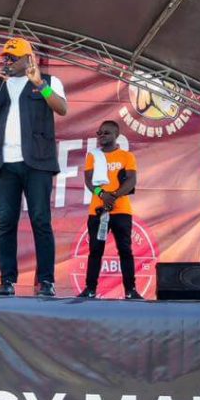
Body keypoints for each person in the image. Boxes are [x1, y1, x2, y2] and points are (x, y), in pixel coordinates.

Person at [0, 37, 69, 297]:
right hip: (6, 164)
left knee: (40, 220)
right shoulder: (0, 86)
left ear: (28, 58)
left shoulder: (48, 81)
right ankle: (7, 280)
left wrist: (40, 85)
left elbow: (62, 109)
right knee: (6, 222)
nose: (7, 62)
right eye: (5, 57)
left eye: (13, 57)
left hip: (37, 163)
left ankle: (46, 281)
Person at [78, 120, 143, 300]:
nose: (102, 136)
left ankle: (130, 290)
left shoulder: (126, 156)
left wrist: (112, 196)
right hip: (98, 211)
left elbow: (131, 181)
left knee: (125, 250)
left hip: (121, 211)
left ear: (116, 135)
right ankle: (90, 289)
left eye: (106, 133)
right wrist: (102, 194)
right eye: (99, 133)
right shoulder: (93, 155)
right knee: (95, 250)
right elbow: (89, 181)